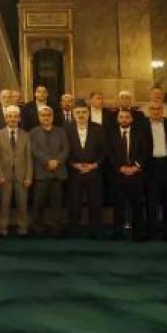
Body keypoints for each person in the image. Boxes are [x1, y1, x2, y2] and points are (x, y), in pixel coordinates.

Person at [65, 102, 106, 239]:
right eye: (78, 112)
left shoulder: (99, 129)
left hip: (94, 172)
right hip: (74, 172)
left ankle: (95, 231)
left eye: (84, 112)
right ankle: (74, 231)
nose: (81, 115)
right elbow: (65, 150)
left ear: (89, 114)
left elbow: (104, 151)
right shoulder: (67, 129)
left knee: (95, 203)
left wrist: (95, 165)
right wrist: (73, 164)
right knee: (74, 203)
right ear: (73, 114)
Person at [144, 102, 167, 242]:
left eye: (158, 109)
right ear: (149, 111)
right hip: (150, 167)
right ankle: (152, 232)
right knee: (151, 201)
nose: (155, 111)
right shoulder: (142, 126)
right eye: (153, 109)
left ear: (163, 111)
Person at [0, 106, 31, 237]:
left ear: (19, 119)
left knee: (22, 203)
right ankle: (2, 227)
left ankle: (23, 227)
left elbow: (29, 158)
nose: (13, 119)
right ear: (5, 118)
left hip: (22, 175)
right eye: (10, 116)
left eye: (15, 116)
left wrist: (28, 176)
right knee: (4, 203)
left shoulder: (26, 135)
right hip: (5, 175)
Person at [29, 106, 68, 237]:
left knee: (57, 203)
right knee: (38, 203)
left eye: (48, 115)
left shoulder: (61, 131)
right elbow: (34, 150)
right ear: (39, 117)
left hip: (58, 172)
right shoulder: (33, 133)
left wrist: (57, 161)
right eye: (43, 115)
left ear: (52, 117)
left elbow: (66, 150)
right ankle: (37, 229)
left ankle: (57, 229)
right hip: (41, 173)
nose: (46, 118)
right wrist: (48, 161)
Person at [110, 108, 149, 241]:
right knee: (118, 206)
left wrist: (136, 167)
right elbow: (109, 154)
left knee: (137, 206)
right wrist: (120, 168)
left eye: (127, 117)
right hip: (118, 175)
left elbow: (145, 152)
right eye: (121, 117)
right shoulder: (112, 134)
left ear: (131, 119)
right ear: (117, 119)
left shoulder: (140, 134)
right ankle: (118, 233)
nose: (124, 119)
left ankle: (137, 234)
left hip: (136, 175)